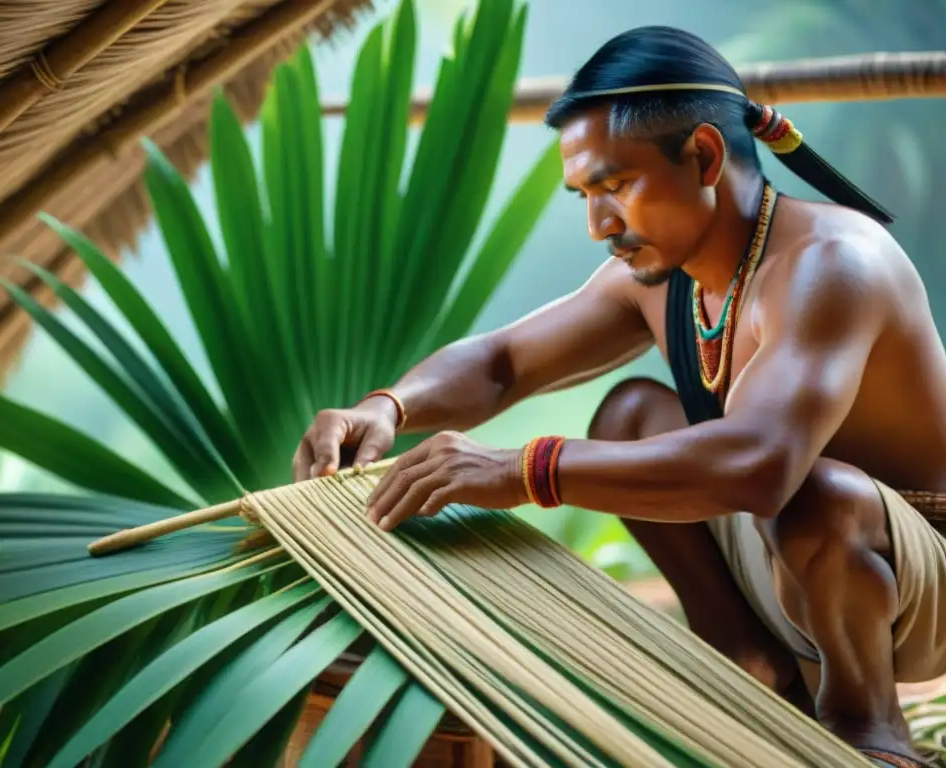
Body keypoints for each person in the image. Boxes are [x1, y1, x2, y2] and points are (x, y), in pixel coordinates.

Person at [292, 25, 946, 768]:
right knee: (631, 415)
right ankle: (748, 662)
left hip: (921, 584)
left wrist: (526, 470)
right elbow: (505, 362)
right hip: (790, 559)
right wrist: (388, 407)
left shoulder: (833, 262)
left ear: (702, 155)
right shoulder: (661, 274)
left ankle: (869, 728)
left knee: (810, 490)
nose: (600, 224)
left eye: (615, 186)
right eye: (585, 195)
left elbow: (762, 465)